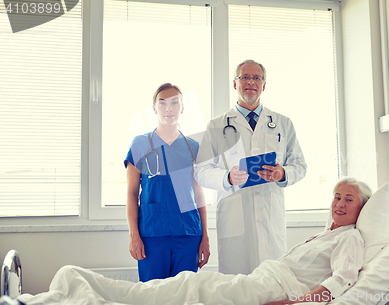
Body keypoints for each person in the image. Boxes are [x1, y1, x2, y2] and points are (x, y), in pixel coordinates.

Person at [18, 178, 371, 305]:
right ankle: (74, 285)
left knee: (184, 290)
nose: (339, 204)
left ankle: (75, 286)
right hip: (257, 282)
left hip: (266, 290)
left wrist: (293, 302)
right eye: (337, 196)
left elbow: (340, 281)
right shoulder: (328, 234)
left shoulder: (350, 240)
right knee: (180, 288)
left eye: (348, 199)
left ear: (362, 208)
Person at [194, 59, 307, 275]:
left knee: (272, 284)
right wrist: (227, 178)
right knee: (237, 289)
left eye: (257, 78)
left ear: (264, 85)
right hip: (235, 220)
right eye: (244, 77)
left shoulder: (283, 123)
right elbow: (201, 171)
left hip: (270, 218)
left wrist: (283, 173)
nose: (251, 82)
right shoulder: (217, 125)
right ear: (234, 83)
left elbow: (300, 165)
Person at [124, 83, 209, 281]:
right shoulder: (140, 144)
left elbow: (199, 195)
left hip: (188, 233)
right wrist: (133, 235)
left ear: (182, 107)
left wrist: (205, 236)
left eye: (174, 102)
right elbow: (131, 193)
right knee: (152, 296)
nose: (168, 108)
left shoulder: (193, 147)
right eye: (162, 103)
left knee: (184, 295)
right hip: (152, 234)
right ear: (154, 109)